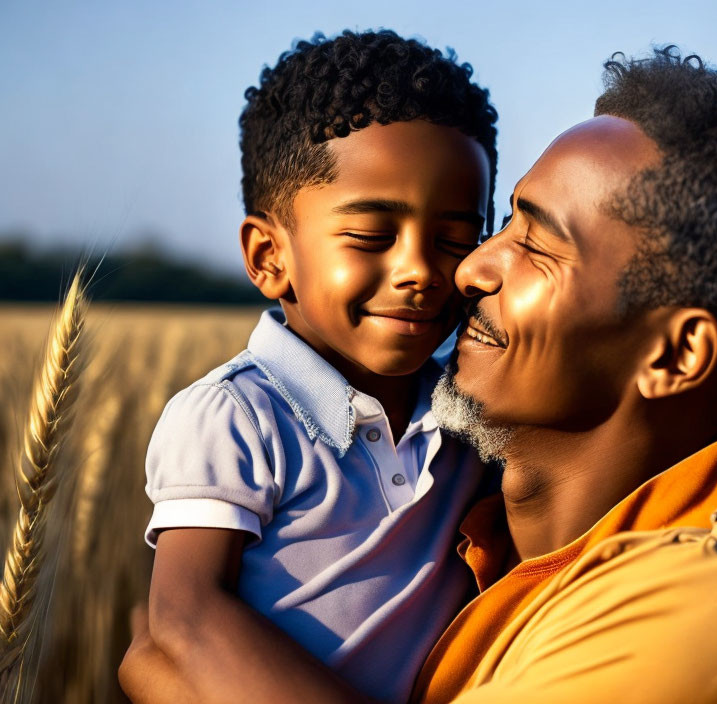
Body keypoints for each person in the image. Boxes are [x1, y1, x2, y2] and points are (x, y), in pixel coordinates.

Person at [123, 46, 717, 703]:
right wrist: (179, 642)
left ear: (674, 357)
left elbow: (167, 647)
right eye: (505, 225)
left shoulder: (711, 614)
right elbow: (182, 623)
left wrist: (163, 666)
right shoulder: (500, 526)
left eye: (537, 244)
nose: (465, 272)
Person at [119, 29, 498, 703]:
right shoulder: (236, 417)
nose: (418, 270)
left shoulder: (472, 410)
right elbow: (183, 618)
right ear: (270, 257)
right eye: (370, 237)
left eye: (454, 240)